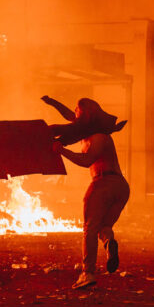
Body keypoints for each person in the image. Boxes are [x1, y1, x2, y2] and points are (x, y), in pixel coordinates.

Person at [42, 96, 129, 290]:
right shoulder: (103, 135)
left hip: (103, 183)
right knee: (103, 226)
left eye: (78, 111)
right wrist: (53, 102)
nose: (74, 115)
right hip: (121, 187)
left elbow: (85, 160)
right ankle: (109, 243)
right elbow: (70, 116)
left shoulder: (96, 138)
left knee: (89, 228)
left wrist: (61, 151)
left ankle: (87, 273)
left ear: (86, 115)